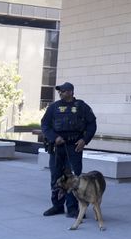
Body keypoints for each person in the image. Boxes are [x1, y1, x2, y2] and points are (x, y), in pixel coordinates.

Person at [41, 82, 97, 219]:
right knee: (56, 176)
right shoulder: (53, 107)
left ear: (71, 92)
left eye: (63, 91)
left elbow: (92, 124)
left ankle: (73, 208)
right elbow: (45, 125)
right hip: (57, 147)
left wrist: (84, 140)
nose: (60, 93)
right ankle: (57, 206)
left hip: (74, 147)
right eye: (59, 91)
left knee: (73, 178)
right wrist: (54, 137)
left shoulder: (81, 106)